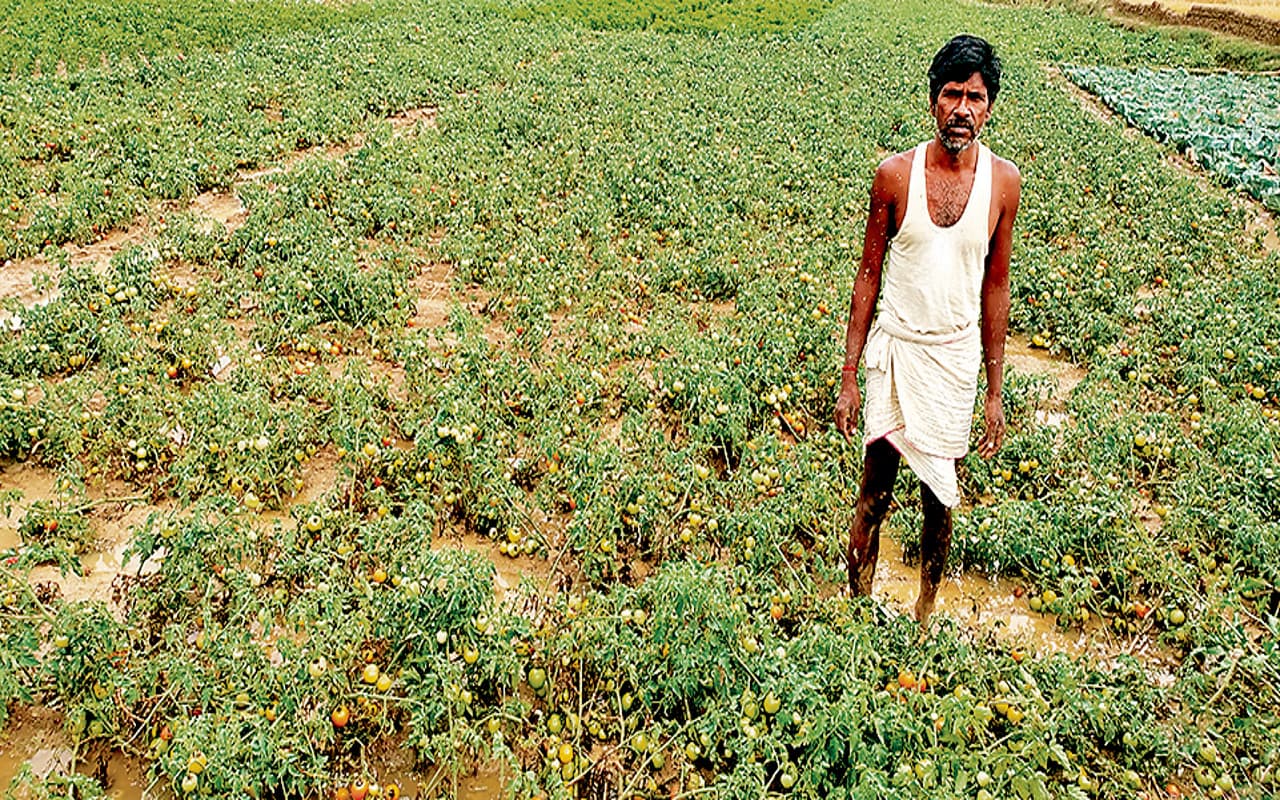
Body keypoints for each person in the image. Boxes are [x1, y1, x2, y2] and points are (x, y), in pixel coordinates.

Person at [833, 34, 1020, 631]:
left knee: (939, 500)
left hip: (953, 358)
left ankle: (924, 614)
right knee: (874, 492)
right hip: (897, 349)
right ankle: (857, 610)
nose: (962, 108)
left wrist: (994, 390)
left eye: (975, 96)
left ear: (989, 106)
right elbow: (868, 277)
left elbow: (996, 286)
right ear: (933, 101)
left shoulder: (1003, 183)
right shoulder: (894, 176)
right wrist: (848, 376)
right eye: (951, 94)